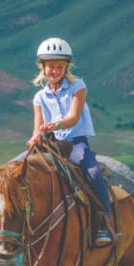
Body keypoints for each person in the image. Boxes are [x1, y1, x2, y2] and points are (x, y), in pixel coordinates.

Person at [27, 37, 114, 247]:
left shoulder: (78, 86)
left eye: (59, 66)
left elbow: (74, 118)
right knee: (17, 170)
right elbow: (37, 127)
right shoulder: (39, 97)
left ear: (66, 67)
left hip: (75, 142)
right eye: (50, 67)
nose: (55, 70)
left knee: (93, 173)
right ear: (43, 67)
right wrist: (34, 138)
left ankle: (103, 222)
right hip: (51, 144)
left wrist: (54, 126)